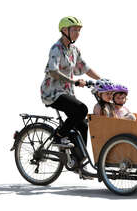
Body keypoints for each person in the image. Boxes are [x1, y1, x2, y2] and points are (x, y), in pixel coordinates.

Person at [40, 16, 100, 149]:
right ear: (64, 30)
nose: (77, 33)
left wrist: (101, 80)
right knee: (81, 109)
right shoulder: (56, 48)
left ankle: (78, 162)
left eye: (79, 30)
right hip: (52, 93)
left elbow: (85, 68)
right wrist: (74, 81)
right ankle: (59, 136)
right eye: (74, 30)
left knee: (83, 125)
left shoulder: (74, 50)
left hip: (67, 92)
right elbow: (53, 71)